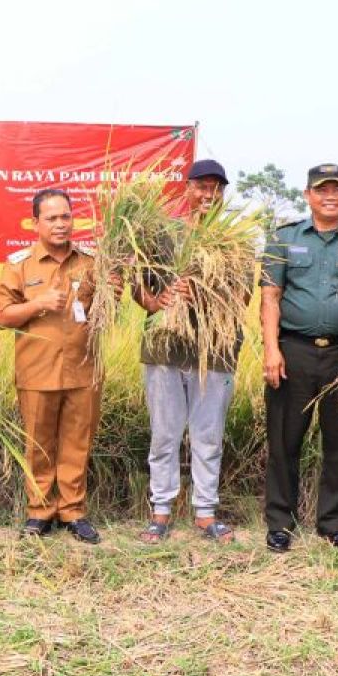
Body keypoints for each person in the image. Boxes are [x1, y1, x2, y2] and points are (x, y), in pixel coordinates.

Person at [260, 164, 338, 555]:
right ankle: (280, 524)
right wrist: (271, 349)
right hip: (293, 350)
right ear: (308, 195)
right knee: (283, 440)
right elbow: (270, 296)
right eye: (321, 189)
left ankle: (333, 525)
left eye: (337, 189)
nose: (330, 196)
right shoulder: (283, 239)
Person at [134, 159, 248, 543]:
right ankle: (161, 510)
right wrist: (156, 302)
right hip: (164, 351)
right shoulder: (163, 235)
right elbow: (138, 284)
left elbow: (243, 297)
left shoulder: (235, 242)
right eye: (201, 186)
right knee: (164, 435)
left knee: (207, 436)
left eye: (216, 187)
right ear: (187, 188)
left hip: (213, 354)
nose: (208, 194)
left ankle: (205, 512)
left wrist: (205, 294)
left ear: (223, 194)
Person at [0, 189, 105, 544]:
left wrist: (114, 289)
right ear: (36, 222)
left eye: (66, 217)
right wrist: (37, 303)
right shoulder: (19, 264)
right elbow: (1, 315)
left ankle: (73, 512)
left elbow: (107, 309)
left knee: (76, 443)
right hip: (37, 371)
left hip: (82, 368)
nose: (60, 224)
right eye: (52, 218)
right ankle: (39, 511)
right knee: (38, 445)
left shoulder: (91, 261)